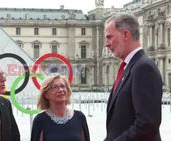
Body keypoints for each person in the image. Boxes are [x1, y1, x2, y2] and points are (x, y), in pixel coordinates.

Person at [104, 13, 162, 141]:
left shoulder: (144, 68)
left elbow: (147, 124)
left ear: (125, 34)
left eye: (109, 37)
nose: (106, 44)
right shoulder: (130, 66)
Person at [31, 75, 90, 141]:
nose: (60, 90)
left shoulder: (79, 117)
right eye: (55, 87)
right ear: (46, 95)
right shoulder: (40, 120)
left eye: (63, 86)